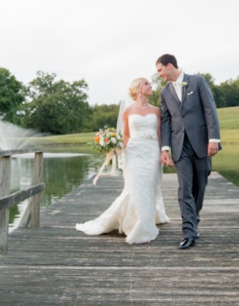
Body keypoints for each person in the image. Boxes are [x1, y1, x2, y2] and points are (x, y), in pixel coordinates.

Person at [75, 78, 170, 244]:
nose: (150, 85)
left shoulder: (156, 111)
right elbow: (126, 135)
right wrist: (116, 150)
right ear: (138, 89)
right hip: (133, 153)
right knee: (135, 188)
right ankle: (140, 226)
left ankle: (144, 222)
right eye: (146, 83)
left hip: (151, 152)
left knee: (148, 188)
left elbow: (160, 134)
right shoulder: (127, 111)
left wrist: (164, 152)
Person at [156, 54, 221, 249]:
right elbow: (166, 122)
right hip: (179, 145)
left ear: (169, 66)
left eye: (160, 70)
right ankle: (189, 232)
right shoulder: (164, 93)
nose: (159, 74)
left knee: (199, 186)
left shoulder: (197, 81)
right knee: (185, 188)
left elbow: (210, 110)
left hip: (201, 143)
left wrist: (214, 139)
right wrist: (165, 147)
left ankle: (194, 219)